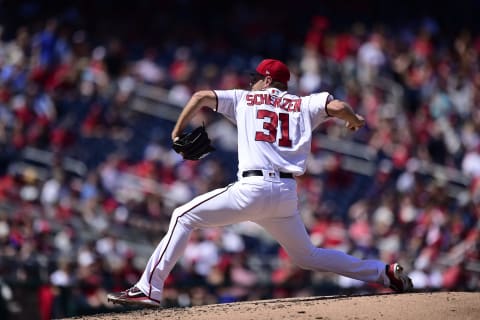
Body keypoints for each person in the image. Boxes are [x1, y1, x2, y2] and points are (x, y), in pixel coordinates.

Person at [107, 58, 413, 307]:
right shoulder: (303, 103)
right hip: (286, 195)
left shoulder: (245, 99)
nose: (250, 82)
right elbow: (337, 106)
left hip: (253, 188)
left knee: (182, 216)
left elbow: (200, 96)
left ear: (267, 80)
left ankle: (149, 287)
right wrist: (355, 119)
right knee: (307, 256)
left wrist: (175, 134)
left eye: (255, 78)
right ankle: (384, 274)